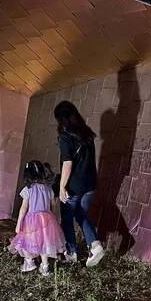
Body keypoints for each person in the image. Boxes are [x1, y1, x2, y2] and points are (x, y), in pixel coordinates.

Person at [54, 100, 105, 267]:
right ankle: (95, 245)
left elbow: (67, 164)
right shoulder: (87, 133)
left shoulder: (65, 137)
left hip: (74, 186)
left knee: (67, 218)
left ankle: (71, 252)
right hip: (90, 183)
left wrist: (61, 187)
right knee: (81, 215)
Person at [9, 160, 66, 276]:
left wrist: (19, 222)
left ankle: (29, 262)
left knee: (27, 240)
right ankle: (45, 267)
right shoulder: (48, 188)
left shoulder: (28, 189)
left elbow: (24, 206)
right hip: (46, 218)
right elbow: (53, 204)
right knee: (45, 242)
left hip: (32, 219)